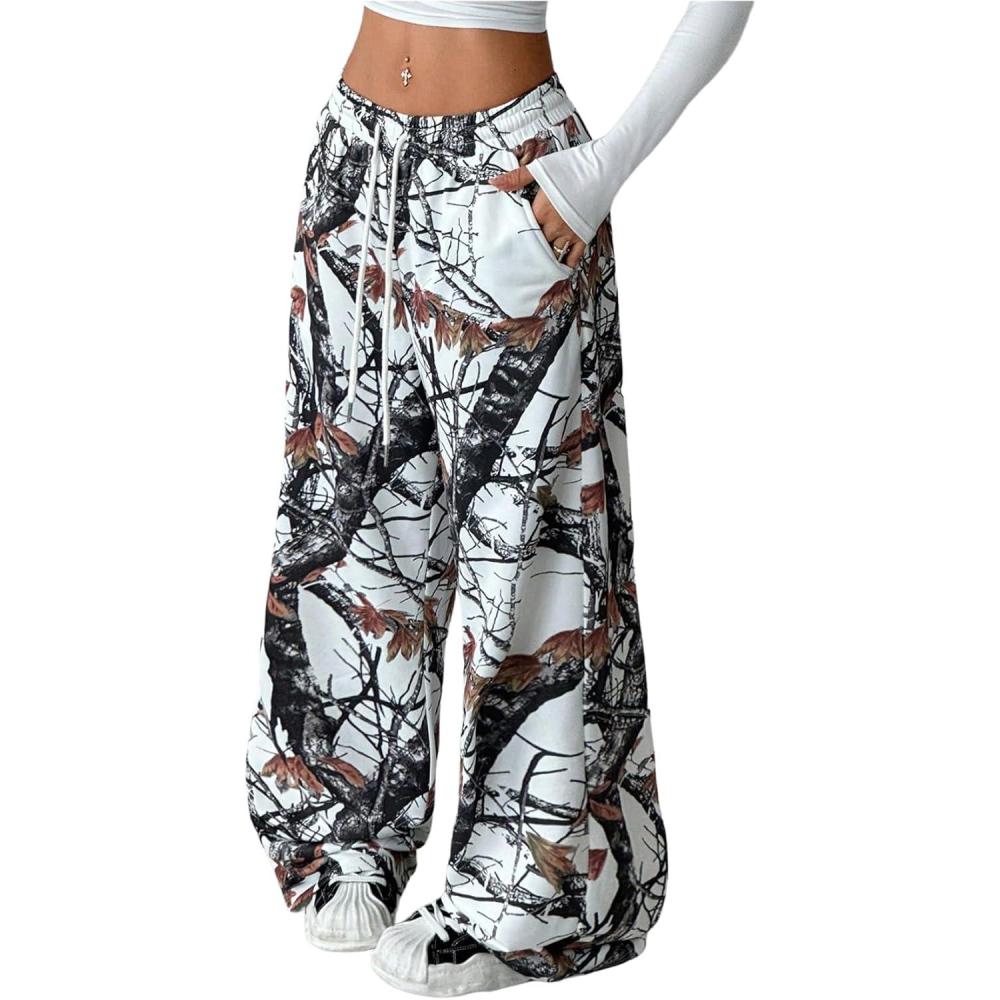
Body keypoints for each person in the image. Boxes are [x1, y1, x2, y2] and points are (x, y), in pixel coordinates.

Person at [245, 1, 752, 994]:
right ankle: (351, 824)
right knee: (346, 507)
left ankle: (526, 893)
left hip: (508, 175)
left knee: (531, 534)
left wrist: (600, 170)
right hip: (357, 154)